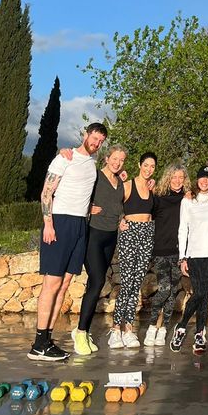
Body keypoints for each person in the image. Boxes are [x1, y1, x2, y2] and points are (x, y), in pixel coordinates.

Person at [28, 122, 108, 361]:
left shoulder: (93, 165)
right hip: (59, 223)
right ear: (85, 135)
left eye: (100, 142)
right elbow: (46, 193)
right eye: (93, 138)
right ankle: (38, 344)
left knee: (64, 285)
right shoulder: (64, 158)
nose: (95, 144)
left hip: (80, 225)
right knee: (51, 284)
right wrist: (48, 224)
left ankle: (47, 340)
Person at [71, 144, 128, 356]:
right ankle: (81, 332)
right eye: (114, 158)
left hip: (111, 236)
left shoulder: (120, 181)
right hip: (93, 234)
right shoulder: (95, 176)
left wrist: (122, 220)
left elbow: (119, 206)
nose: (117, 162)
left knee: (95, 283)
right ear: (107, 158)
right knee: (96, 281)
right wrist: (87, 208)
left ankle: (81, 330)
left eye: (121, 160)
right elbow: (76, 192)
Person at [171, 165, 208, 353]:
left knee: (203, 294)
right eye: (202, 177)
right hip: (194, 255)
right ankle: (184, 326)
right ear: (197, 180)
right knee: (200, 293)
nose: (204, 181)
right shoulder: (187, 201)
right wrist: (182, 257)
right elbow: (182, 229)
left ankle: (198, 333)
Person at [108, 151, 157, 349]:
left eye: (152, 166)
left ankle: (128, 328)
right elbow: (112, 204)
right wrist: (119, 220)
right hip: (131, 233)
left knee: (136, 284)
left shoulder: (152, 187)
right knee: (127, 283)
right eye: (146, 165)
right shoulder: (127, 185)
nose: (148, 169)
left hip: (147, 233)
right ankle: (115, 329)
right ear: (139, 165)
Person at [144, 162, 192, 347]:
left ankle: (162, 328)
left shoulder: (188, 199)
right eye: (174, 177)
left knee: (172, 293)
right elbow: (144, 213)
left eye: (181, 177)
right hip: (161, 250)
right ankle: (151, 327)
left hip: (179, 252)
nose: (178, 181)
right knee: (164, 289)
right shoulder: (159, 197)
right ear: (168, 178)